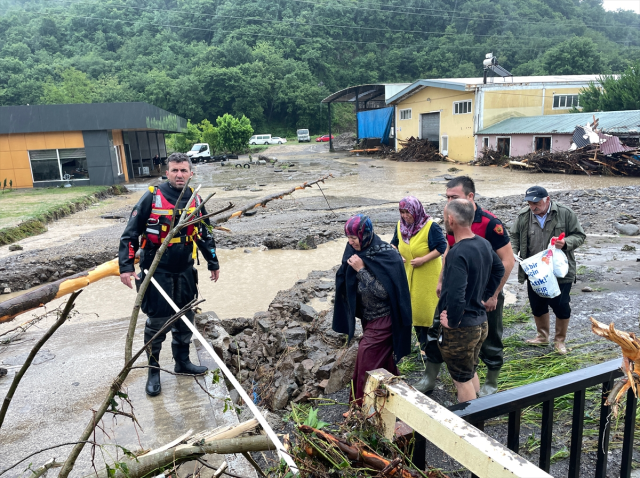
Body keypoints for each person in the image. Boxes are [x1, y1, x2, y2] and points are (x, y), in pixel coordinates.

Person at [119, 152, 220, 397]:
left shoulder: (195, 199)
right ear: (167, 172)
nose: (179, 175)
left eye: (183, 170)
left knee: (185, 319)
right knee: (156, 324)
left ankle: (182, 362)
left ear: (191, 173)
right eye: (175, 170)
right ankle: (153, 372)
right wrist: (126, 267)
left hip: (185, 270)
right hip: (156, 272)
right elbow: (129, 234)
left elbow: (205, 234)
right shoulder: (152, 197)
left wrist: (213, 262)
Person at [416, 176, 515, 397]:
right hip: (472, 307)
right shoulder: (475, 239)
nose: (448, 202)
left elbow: (507, 262)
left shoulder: (490, 224)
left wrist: (492, 294)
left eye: (453, 198)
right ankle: (431, 377)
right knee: (445, 342)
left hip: (469, 307)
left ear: (470, 198)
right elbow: (449, 251)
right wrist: (441, 280)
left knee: (475, 359)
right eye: (447, 197)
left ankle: (475, 408)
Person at [333, 214, 413, 405]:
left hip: (386, 320)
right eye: (348, 238)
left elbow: (385, 293)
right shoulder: (356, 249)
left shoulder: (387, 254)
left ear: (366, 234)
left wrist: (361, 270)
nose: (351, 242)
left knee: (366, 362)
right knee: (382, 362)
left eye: (354, 238)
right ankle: (395, 400)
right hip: (369, 320)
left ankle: (361, 407)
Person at [438, 199, 505, 402]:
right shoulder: (483, 243)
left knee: (461, 379)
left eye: (444, 217)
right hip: (480, 322)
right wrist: (484, 296)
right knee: (470, 369)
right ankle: (478, 407)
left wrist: (453, 321)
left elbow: (457, 293)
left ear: (451, 220)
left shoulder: (457, 253)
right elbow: (499, 269)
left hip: (462, 327)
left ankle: (470, 425)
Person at [510, 186, 585, 355]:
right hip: (535, 270)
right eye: (530, 203)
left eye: (536, 203)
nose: (533, 207)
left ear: (547, 200)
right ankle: (542, 337)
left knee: (561, 305)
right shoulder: (524, 216)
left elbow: (580, 235)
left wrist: (565, 243)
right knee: (537, 304)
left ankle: (560, 341)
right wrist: (513, 252)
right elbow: (514, 235)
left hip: (560, 270)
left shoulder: (565, 213)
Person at [390, 196, 447, 351]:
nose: (405, 216)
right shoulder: (400, 226)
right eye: (402, 212)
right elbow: (393, 244)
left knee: (428, 310)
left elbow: (442, 247)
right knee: (413, 309)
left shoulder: (430, 227)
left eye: (407, 212)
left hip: (428, 276)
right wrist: (397, 254)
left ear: (416, 211)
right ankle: (421, 342)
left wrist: (423, 259)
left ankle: (432, 344)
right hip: (408, 275)